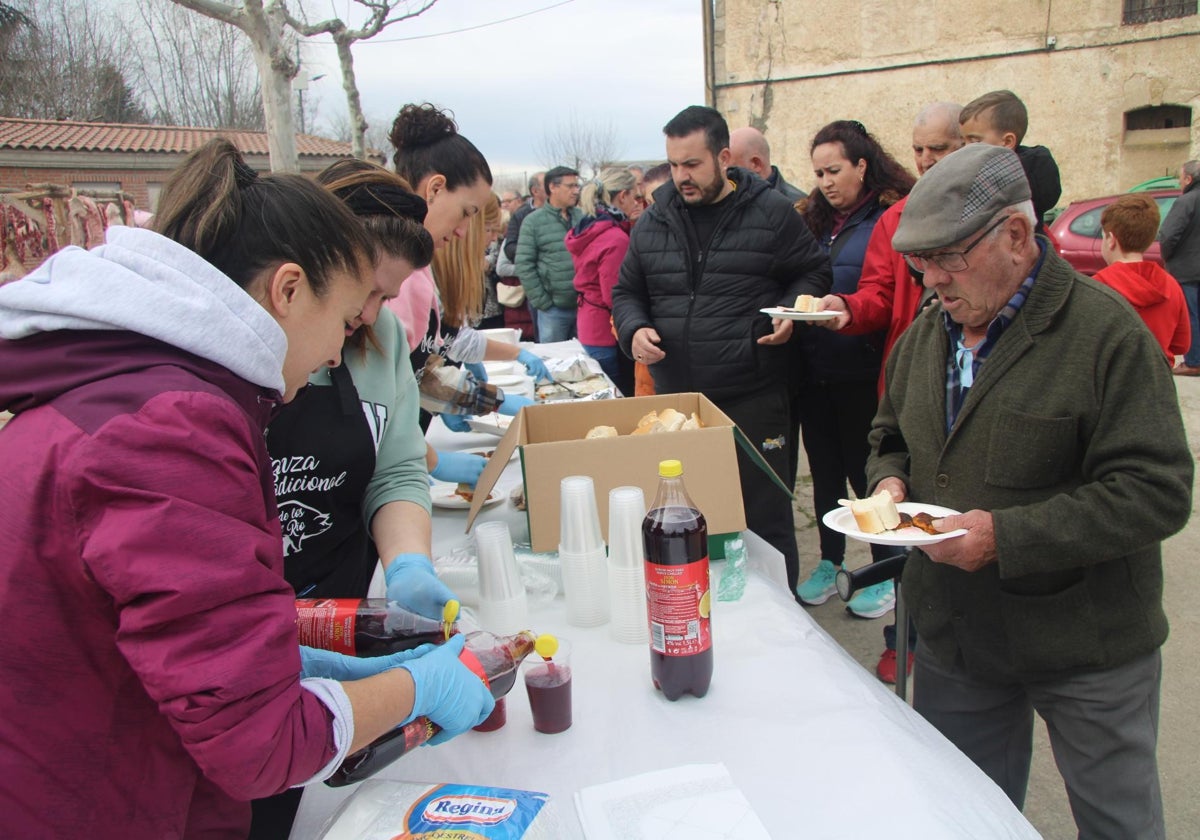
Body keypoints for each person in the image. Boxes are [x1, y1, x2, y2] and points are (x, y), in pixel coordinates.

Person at [0, 139, 495, 837]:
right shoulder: (171, 429)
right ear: (288, 291)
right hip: (92, 794)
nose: (336, 351)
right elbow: (261, 741)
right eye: (343, 317)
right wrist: (416, 689)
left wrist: (277, 658)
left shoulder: (134, 386)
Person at [871, 142, 1191, 837]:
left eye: (947, 259)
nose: (931, 283)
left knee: (1120, 824)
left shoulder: (1108, 336)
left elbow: (1157, 490)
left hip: (1088, 643)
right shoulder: (927, 336)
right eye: (918, 264)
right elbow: (888, 434)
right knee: (964, 818)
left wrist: (1005, 538)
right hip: (960, 637)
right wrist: (888, 481)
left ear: (1016, 234)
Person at [252, 160, 449, 838]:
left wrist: (409, 565)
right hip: (243, 643)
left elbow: (396, 471)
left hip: (329, 619)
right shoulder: (226, 381)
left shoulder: (379, 338)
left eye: (385, 298)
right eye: (364, 293)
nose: (369, 316)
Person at [612, 105, 832, 590]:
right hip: (679, 405)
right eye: (673, 164)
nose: (681, 177)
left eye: (692, 164)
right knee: (688, 519)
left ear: (724, 157)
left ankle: (784, 623)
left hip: (752, 395)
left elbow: (814, 271)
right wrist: (634, 330)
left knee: (764, 522)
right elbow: (627, 292)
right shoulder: (655, 220)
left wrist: (788, 309)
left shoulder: (771, 213)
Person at [815, 101, 965, 682]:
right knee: (905, 514)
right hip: (910, 390)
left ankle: (948, 640)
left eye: (941, 149)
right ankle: (901, 635)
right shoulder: (895, 219)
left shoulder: (1000, 219)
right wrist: (846, 308)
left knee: (956, 519)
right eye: (920, 150)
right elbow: (878, 295)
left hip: (977, 387)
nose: (927, 161)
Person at [792, 120, 915, 615]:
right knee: (823, 475)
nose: (825, 181)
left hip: (862, 372)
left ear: (862, 166)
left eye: (835, 170)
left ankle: (884, 568)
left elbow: (885, 296)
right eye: (819, 172)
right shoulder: (814, 220)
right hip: (814, 369)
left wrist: (847, 309)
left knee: (867, 477)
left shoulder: (888, 218)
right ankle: (829, 561)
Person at [385, 103, 547, 458]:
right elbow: (384, 394)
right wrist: (427, 461)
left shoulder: (418, 269)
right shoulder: (398, 278)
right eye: (466, 213)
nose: (462, 231)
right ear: (435, 189)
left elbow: (417, 368)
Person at [565, 167, 643, 395]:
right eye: (635, 196)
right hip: (605, 332)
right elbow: (615, 295)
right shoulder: (615, 239)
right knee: (614, 397)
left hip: (588, 323)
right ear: (622, 196)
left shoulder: (588, 229)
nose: (638, 202)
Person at [1094, 193, 1190, 364]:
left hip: (1111, 382)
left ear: (1111, 240)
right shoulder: (1171, 285)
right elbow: (1181, 345)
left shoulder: (1095, 288)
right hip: (1158, 381)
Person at [958, 90, 1061, 236]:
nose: (966, 149)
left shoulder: (1031, 174)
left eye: (975, 141)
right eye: (963, 142)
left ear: (1007, 142)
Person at [516, 166, 584, 342]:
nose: (575, 191)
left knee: (585, 363)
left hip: (583, 306)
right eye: (570, 186)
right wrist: (543, 303)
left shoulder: (581, 217)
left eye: (577, 186)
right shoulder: (533, 222)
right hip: (553, 310)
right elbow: (524, 265)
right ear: (553, 187)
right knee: (555, 361)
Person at [1158, 159, 1200, 375]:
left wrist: (1167, 257)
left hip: (1187, 269)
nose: (1179, 183)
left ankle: (1194, 361)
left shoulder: (1186, 202)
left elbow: (1168, 235)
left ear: (1189, 179)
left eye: (1181, 178)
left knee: (1191, 315)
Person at [729, 125, 807, 201]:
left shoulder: (799, 208)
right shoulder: (729, 201)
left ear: (756, 164)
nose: (726, 175)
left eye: (731, 169)